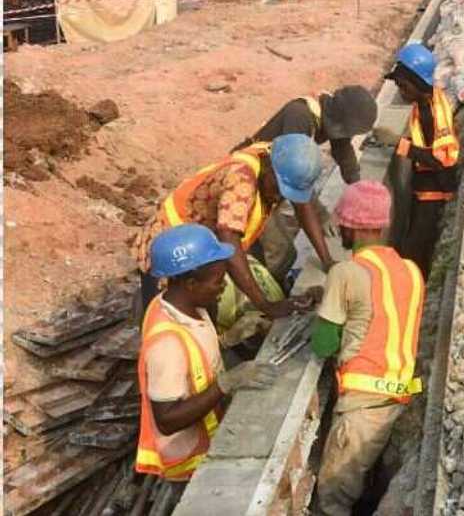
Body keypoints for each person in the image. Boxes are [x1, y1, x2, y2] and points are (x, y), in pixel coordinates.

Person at [311, 180, 427, 516]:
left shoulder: (345, 272)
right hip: (400, 399)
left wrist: (327, 312)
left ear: (350, 226)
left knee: (333, 501)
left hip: (361, 411)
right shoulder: (411, 271)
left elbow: (323, 344)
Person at [135, 224, 280, 485]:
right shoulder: (166, 344)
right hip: (189, 463)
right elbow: (167, 419)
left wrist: (229, 338)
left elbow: (194, 363)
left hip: (206, 442)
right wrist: (226, 383)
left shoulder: (184, 305)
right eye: (217, 280)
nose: (223, 287)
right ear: (190, 283)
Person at [133, 133, 331, 323]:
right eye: (279, 189)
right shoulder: (241, 180)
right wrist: (265, 305)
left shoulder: (277, 158)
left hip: (202, 248)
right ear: (270, 169)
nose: (280, 197)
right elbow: (229, 238)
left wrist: (327, 261)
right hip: (172, 247)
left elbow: (302, 206)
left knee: (203, 315)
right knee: (168, 316)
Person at [233, 86, 378, 280]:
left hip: (273, 180)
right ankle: (263, 297)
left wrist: (358, 188)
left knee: (275, 240)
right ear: (336, 123)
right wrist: (326, 258)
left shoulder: (328, 112)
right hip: (251, 182)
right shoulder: (299, 117)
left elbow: (343, 150)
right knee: (281, 252)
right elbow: (299, 194)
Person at [386, 43, 459, 277]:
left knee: (413, 255)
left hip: (434, 194)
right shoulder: (427, 100)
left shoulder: (432, 113)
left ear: (417, 83)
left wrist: (399, 145)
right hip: (426, 188)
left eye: (403, 86)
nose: (401, 92)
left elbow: (442, 161)